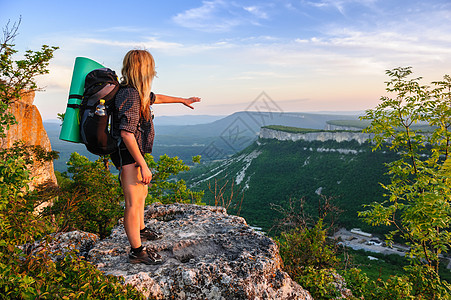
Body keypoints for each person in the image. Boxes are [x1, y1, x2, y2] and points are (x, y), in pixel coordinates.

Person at [110, 49, 200, 265]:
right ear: (144, 70)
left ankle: (141, 229)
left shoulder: (134, 92)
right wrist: (143, 165)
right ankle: (136, 252)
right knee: (132, 202)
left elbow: (155, 98)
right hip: (127, 153)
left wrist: (182, 100)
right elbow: (126, 133)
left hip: (133, 153)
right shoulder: (130, 94)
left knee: (141, 193)